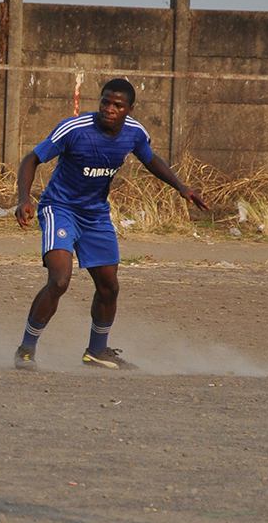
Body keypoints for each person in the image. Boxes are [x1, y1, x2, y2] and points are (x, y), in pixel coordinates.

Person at [13, 77, 207, 370]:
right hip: (60, 209)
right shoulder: (74, 129)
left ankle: (97, 351)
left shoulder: (134, 133)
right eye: (105, 101)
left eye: (118, 105)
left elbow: (150, 159)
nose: (110, 109)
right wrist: (23, 198)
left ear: (129, 109)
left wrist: (181, 186)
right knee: (60, 280)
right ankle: (26, 349)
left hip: (96, 215)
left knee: (109, 286)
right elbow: (31, 159)